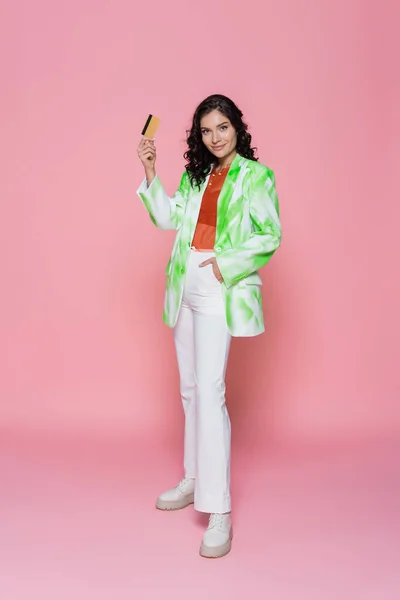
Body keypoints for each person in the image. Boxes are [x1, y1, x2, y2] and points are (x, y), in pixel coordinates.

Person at [136, 94, 282, 558]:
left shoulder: (257, 177)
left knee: (211, 391)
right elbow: (167, 219)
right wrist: (149, 174)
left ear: (237, 127)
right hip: (184, 285)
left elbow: (270, 234)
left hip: (220, 285)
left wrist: (225, 264)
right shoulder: (196, 174)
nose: (215, 137)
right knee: (189, 388)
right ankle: (194, 478)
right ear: (198, 136)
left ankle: (219, 509)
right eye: (206, 130)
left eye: (222, 127)